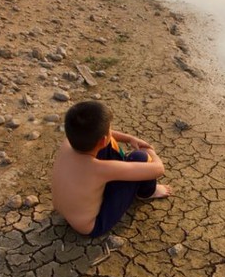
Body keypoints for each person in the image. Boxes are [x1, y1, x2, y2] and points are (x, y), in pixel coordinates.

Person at [52, 101, 171, 237]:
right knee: (140, 157)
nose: (111, 131)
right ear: (103, 139)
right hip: (92, 226)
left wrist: (129, 138)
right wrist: (150, 151)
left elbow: (103, 136)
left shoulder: (68, 142)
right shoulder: (100, 169)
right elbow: (158, 169)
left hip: (64, 211)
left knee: (103, 144)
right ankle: (147, 192)